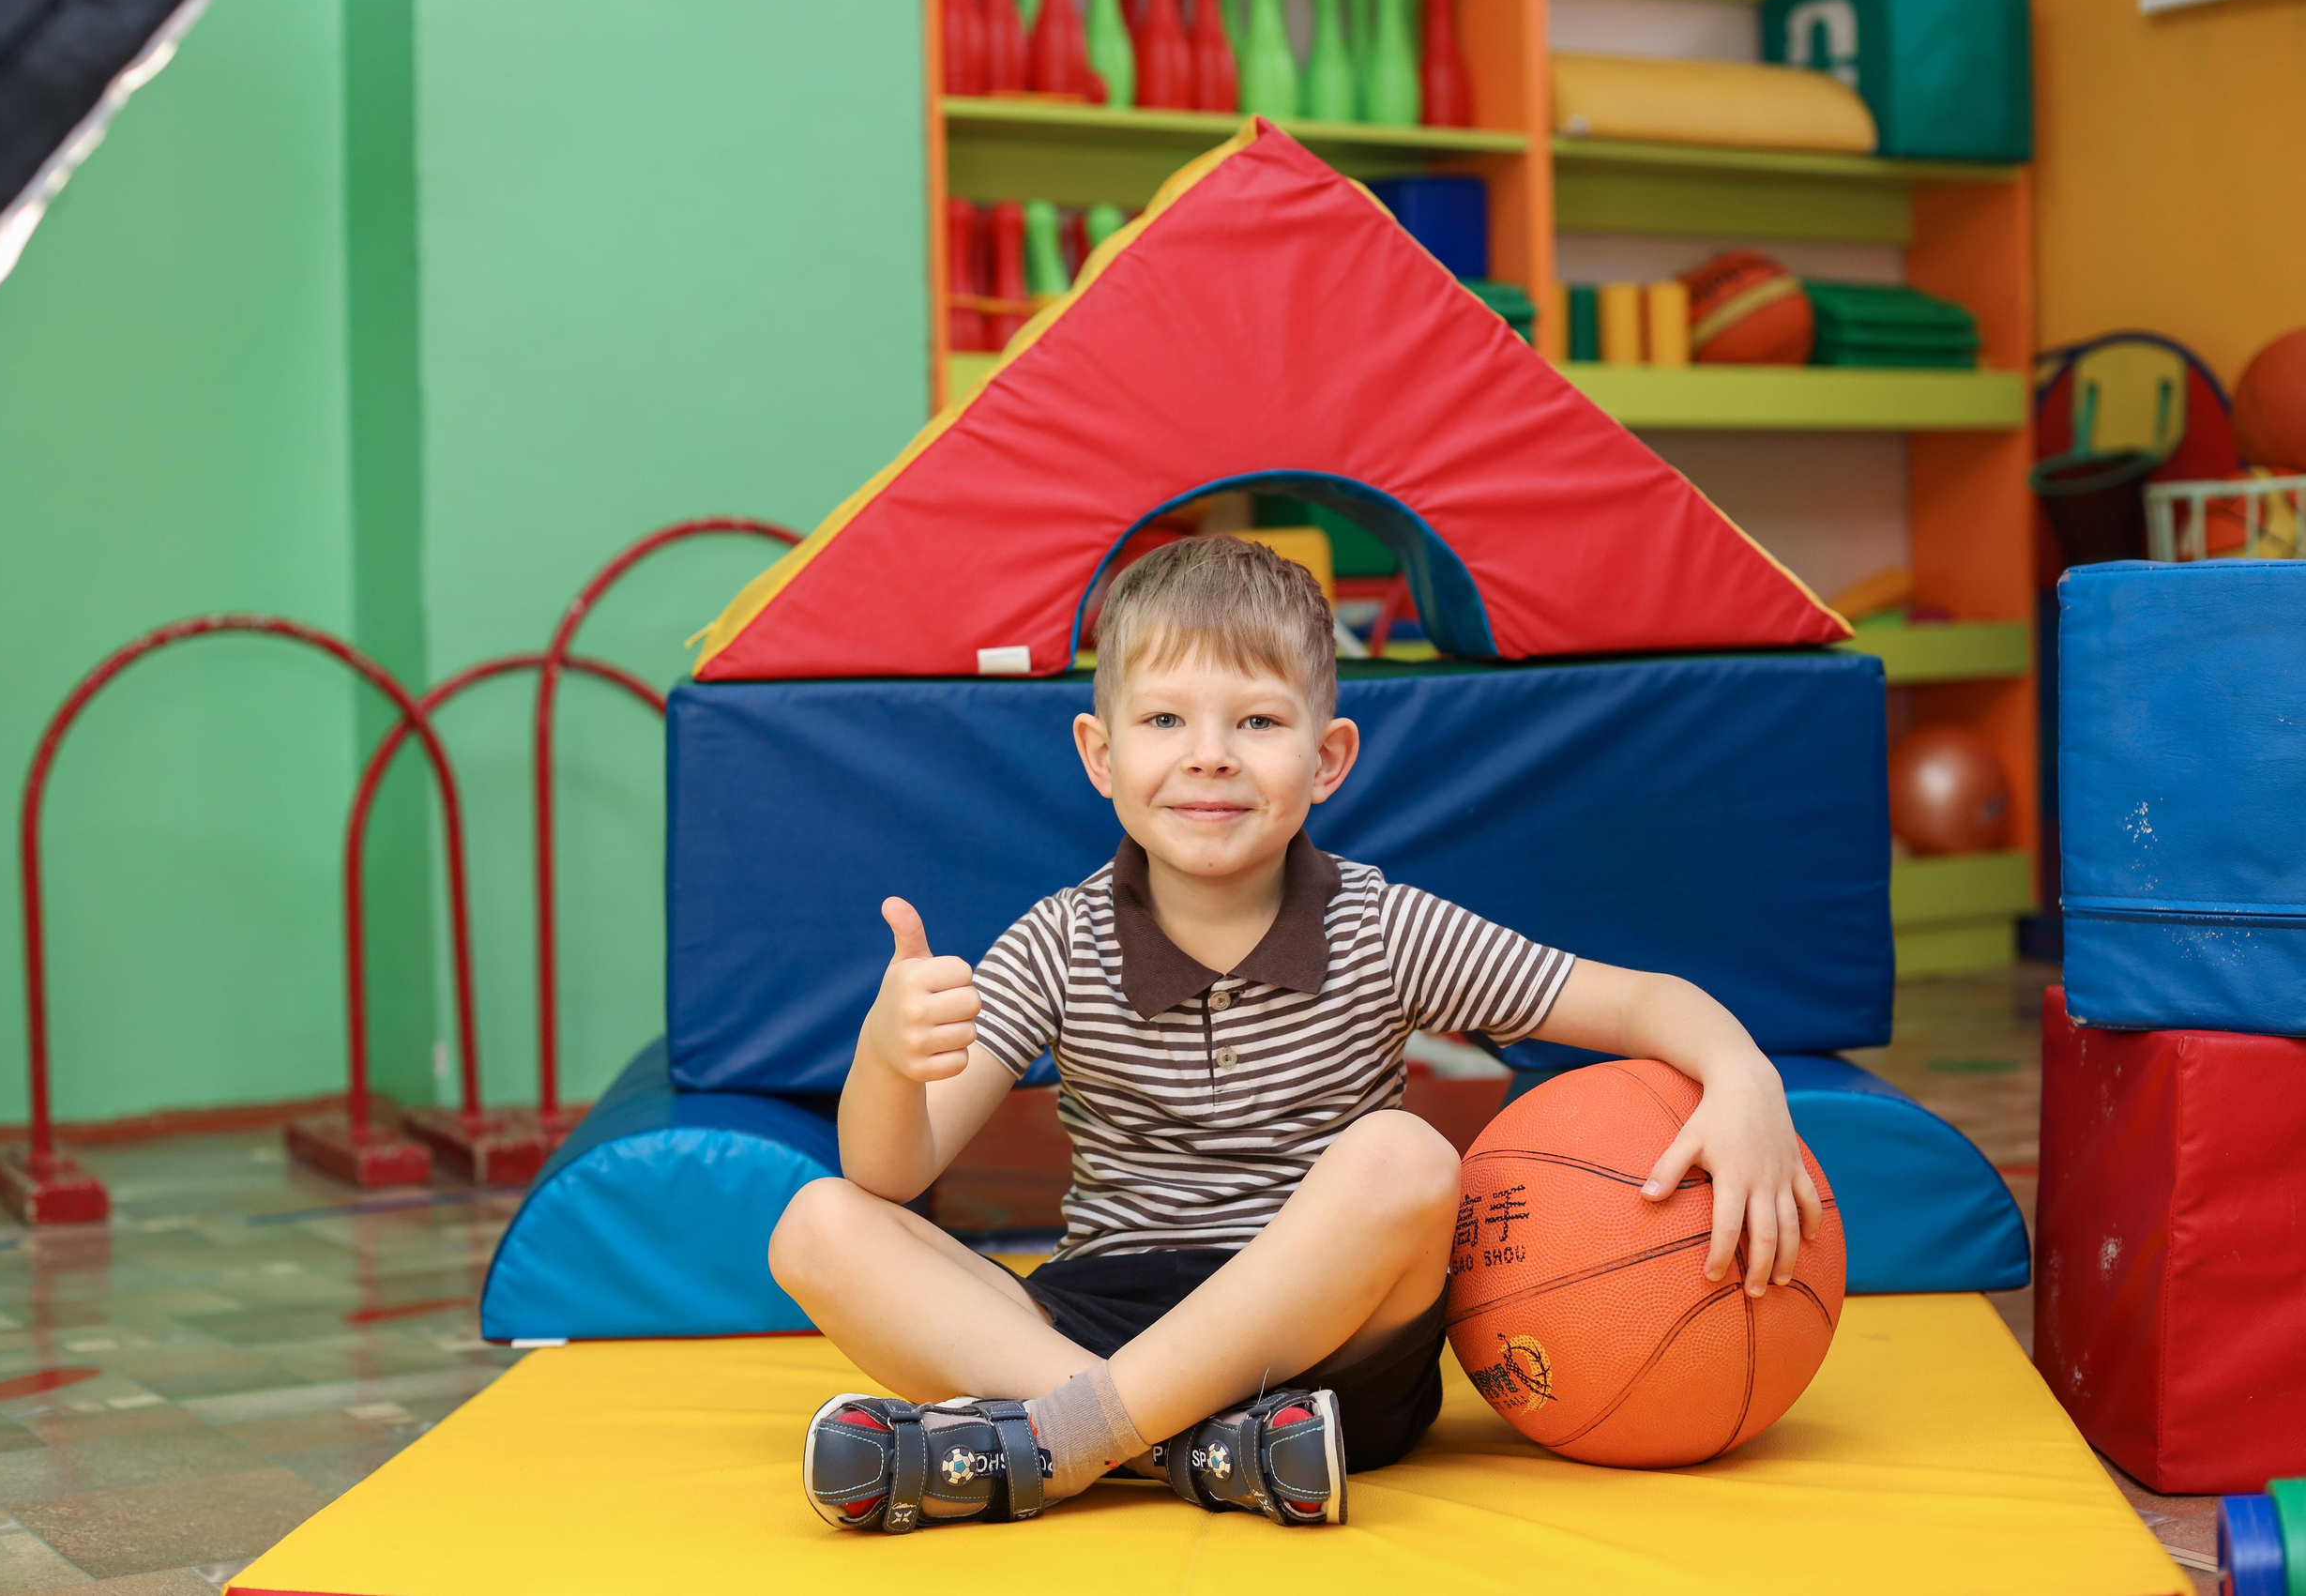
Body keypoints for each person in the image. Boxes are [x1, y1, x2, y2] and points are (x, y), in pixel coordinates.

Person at [771, 535, 1821, 1531]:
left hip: (1328, 1356)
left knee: (1405, 1157)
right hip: (1104, 1323)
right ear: (1098, 752)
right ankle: (1185, 1450)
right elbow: (888, 1171)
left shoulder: (1384, 925)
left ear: (1327, 759)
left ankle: (1057, 1440)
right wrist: (886, 1058)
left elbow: (1639, 1002)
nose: (1211, 758)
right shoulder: (1057, 940)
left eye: (1258, 724)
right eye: (1166, 721)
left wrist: (1741, 1078)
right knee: (816, 1222)